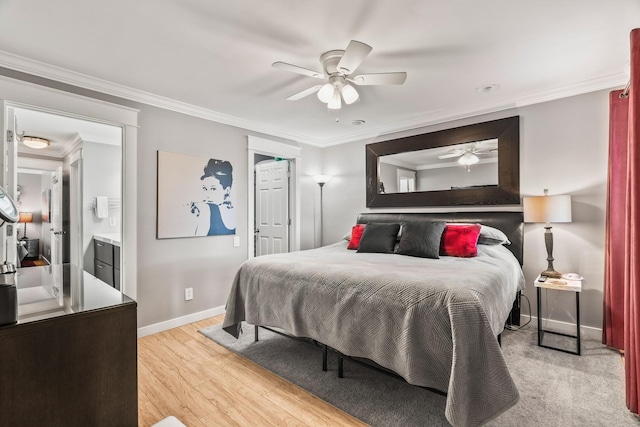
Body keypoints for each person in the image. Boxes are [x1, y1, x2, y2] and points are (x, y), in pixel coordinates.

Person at [190, 159, 236, 235]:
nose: (207, 195)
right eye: (205, 189)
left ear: (227, 190)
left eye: (213, 189)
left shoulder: (206, 209)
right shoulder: (232, 212)